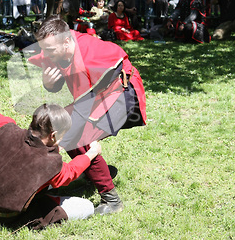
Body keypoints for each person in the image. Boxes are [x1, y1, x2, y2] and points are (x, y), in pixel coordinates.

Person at [27, 15, 147, 214]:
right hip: (93, 95)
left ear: (67, 41)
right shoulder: (55, 48)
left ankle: (111, 200)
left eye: (49, 50)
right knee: (62, 129)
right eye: (43, 49)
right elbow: (57, 83)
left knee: (78, 135)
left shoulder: (91, 52)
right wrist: (48, 82)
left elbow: (114, 67)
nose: (45, 54)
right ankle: (95, 172)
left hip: (120, 92)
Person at [0, 62, 101, 229]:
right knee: (87, 207)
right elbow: (70, 172)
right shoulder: (49, 164)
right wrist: (91, 153)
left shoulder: (3, 126)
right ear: (53, 135)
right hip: (8, 217)